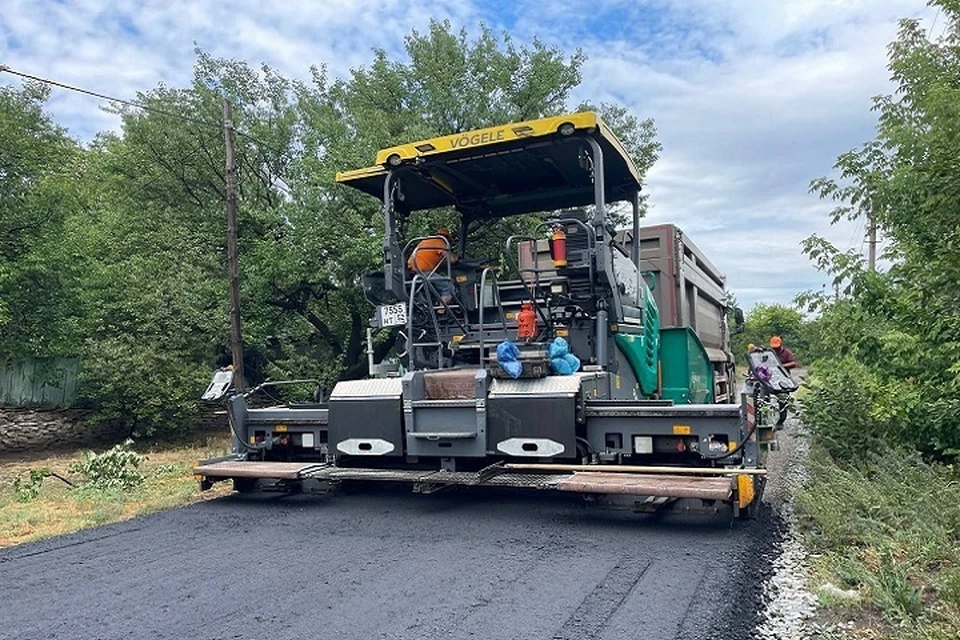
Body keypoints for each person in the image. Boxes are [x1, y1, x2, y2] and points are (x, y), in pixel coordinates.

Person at [408, 228, 458, 304]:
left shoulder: (426, 241)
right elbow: (451, 259)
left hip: (413, 270)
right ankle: (442, 311)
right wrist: (457, 257)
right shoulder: (440, 242)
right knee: (447, 285)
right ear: (446, 238)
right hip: (423, 272)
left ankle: (437, 303)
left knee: (441, 277)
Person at [769, 335, 796, 426]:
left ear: (781, 345)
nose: (775, 350)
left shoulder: (786, 352)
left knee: (783, 400)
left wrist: (781, 366)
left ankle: (781, 421)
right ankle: (765, 418)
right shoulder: (769, 353)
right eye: (774, 348)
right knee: (763, 397)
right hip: (770, 379)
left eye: (777, 347)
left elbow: (793, 363)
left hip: (783, 379)